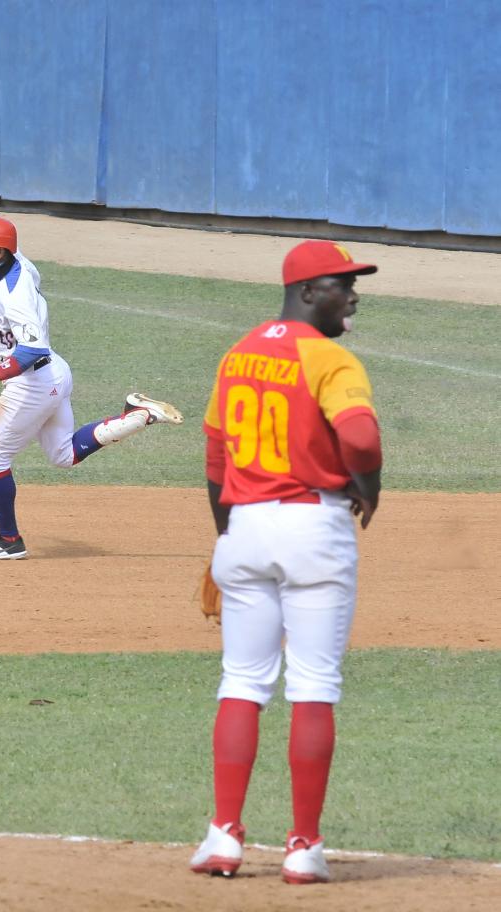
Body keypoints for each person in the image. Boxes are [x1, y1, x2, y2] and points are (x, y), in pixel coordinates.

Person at [190, 239, 382, 884]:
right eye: (341, 283)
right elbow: (358, 436)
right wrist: (369, 491)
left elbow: (216, 458)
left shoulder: (239, 352)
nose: (353, 293)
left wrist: (225, 536)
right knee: (314, 684)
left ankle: (223, 837)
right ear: (306, 292)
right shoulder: (331, 358)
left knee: (242, 681)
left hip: (244, 529)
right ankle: (302, 847)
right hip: (313, 529)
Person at [0, 165, 183, 559]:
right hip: (55, 374)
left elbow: (31, 350)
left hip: (32, 379)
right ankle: (138, 415)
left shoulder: (12, 294)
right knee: (63, 455)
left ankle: (8, 541)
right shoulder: (14, 257)